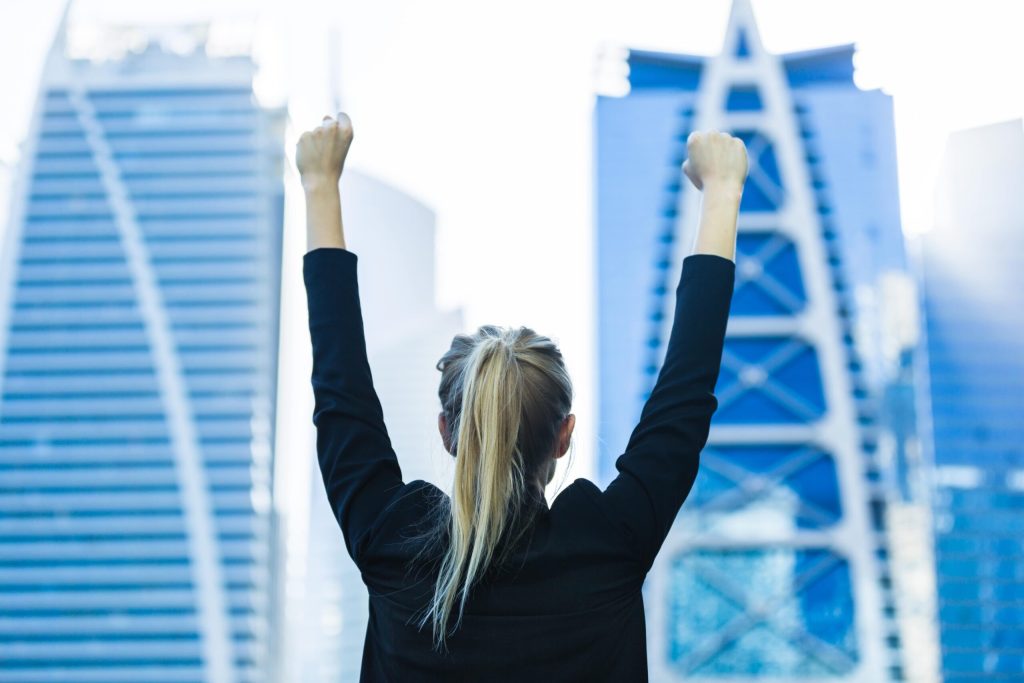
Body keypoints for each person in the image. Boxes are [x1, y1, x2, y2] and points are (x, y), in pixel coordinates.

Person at [297, 113, 748, 682]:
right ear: (565, 437)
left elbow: (340, 394)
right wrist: (724, 191)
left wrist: (319, 184)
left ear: (447, 430)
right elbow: (686, 393)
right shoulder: (607, 546)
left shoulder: (396, 545)